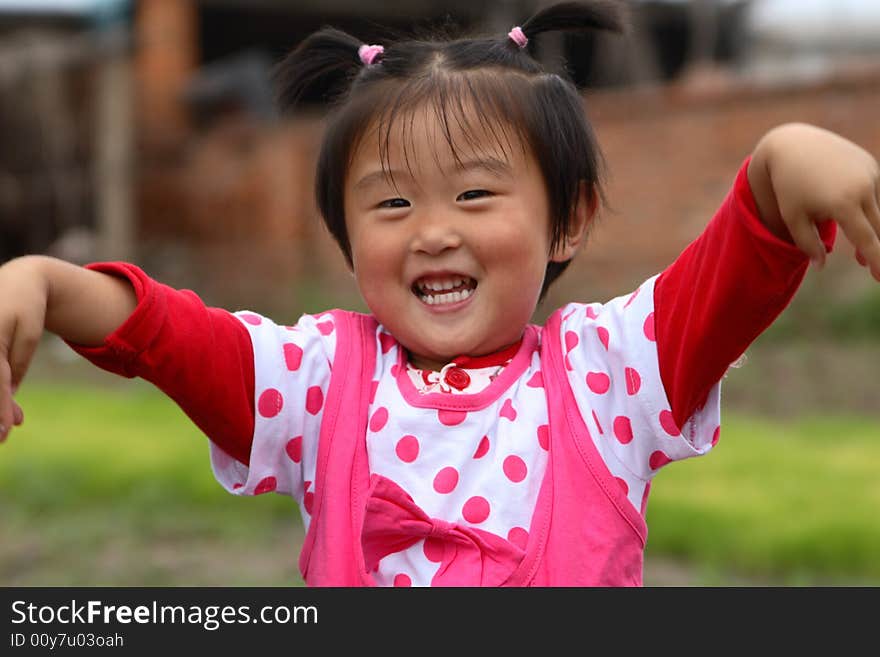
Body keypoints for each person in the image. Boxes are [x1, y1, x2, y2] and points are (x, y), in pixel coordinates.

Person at [1, 1, 878, 586]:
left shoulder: (610, 372)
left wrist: (780, 160)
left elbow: (726, 277)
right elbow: (169, 335)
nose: (432, 231)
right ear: (348, 242)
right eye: (390, 203)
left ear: (567, 223)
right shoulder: (316, 383)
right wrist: (45, 282)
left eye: (473, 195)